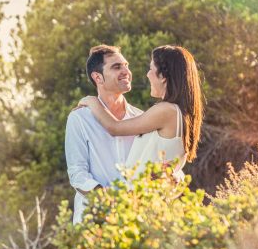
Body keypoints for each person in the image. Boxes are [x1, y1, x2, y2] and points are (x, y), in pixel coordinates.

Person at [78, 45, 204, 183]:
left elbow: (114, 127)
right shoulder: (176, 112)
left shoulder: (166, 111)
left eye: (151, 69)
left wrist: (91, 101)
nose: (147, 74)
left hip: (142, 200)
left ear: (162, 76)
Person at [65, 45, 143, 224]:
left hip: (134, 221)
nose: (126, 71)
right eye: (117, 67)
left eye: (126, 65)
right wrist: (107, 200)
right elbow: (77, 174)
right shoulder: (79, 119)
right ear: (97, 77)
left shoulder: (141, 118)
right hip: (93, 222)